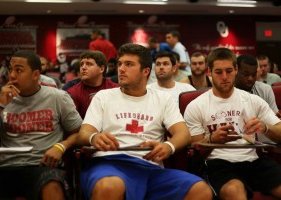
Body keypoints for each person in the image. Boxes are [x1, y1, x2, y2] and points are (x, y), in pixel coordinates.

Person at [75, 43, 212, 200]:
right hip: (110, 163)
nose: (121, 69)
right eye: (120, 64)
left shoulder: (162, 99)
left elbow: (183, 133)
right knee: (110, 186)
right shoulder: (103, 96)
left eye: (129, 64)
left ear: (146, 71)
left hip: (150, 167)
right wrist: (94, 137)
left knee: (200, 190)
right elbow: (83, 133)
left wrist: (169, 146)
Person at [0, 50, 83, 200]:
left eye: (19, 70)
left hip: (42, 166)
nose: (12, 75)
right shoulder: (0, 99)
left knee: (52, 187)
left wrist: (61, 146)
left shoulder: (57, 97)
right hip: (7, 167)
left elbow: (80, 132)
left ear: (36, 75)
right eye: (10, 69)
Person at [184, 47, 281, 199]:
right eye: (218, 72)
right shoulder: (196, 106)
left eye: (229, 71)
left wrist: (265, 127)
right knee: (235, 190)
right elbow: (194, 149)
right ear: (209, 72)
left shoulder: (253, 100)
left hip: (253, 161)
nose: (224, 77)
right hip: (218, 163)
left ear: (236, 69)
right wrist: (212, 139)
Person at [67, 50, 118, 119]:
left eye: (89, 64)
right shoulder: (73, 93)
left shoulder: (115, 89)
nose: (83, 67)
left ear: (101, 69)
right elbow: (73, 126)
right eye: (81, 64)